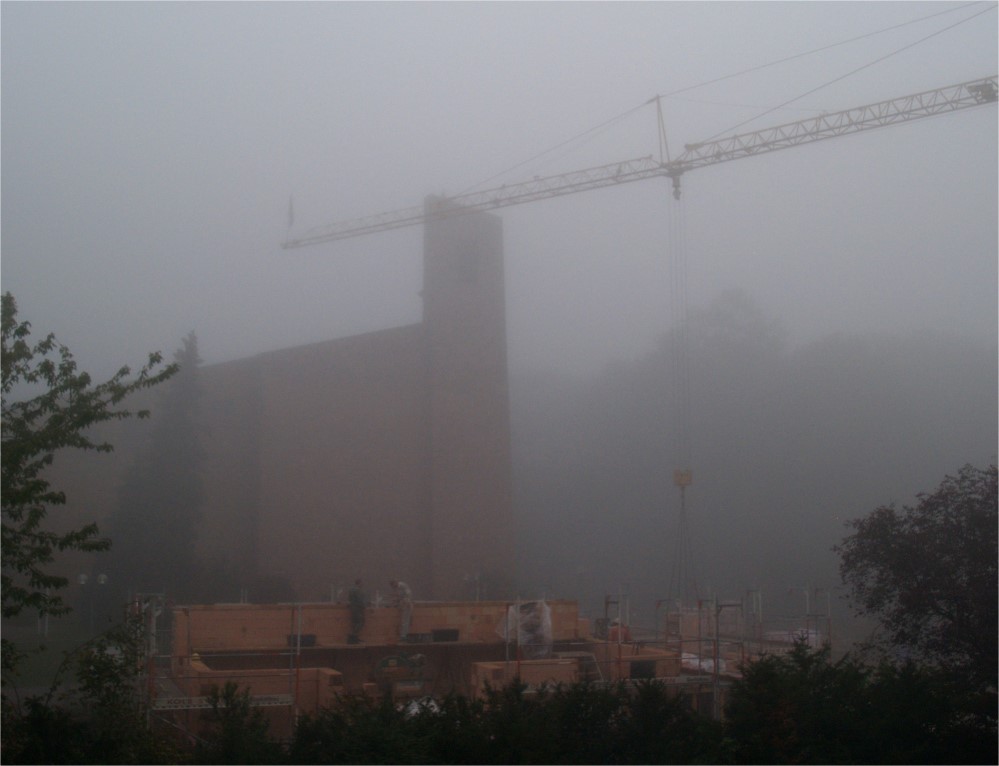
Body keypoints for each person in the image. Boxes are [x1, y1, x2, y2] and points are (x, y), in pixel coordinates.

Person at [347, 579, 366, 644]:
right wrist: (364, 606)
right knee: (361, 622)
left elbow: (349, 599)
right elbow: (360, 600)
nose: (362, 585)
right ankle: (354, 635)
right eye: (362, 583)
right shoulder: (358, 590)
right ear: (359, 583)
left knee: (354, 623)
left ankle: (354, 638)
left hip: (352, 608)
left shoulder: (351, 590)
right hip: (358, 608)